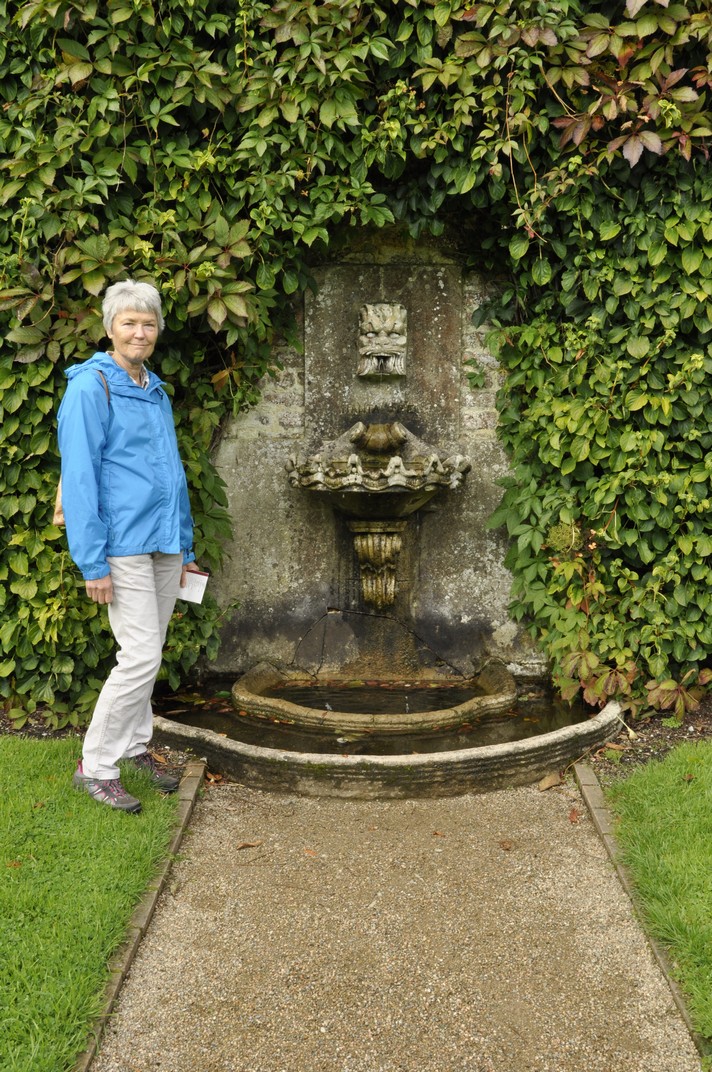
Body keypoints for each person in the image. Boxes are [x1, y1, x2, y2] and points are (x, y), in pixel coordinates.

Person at [57, 279, 201, 813]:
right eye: (129, 323)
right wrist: (92, 562)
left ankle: (135, 747)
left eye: (148, 323)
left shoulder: (153, 389)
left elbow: (171, 474)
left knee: (150, 650)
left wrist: (184, 547)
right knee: (139, 655)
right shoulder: (91, 387)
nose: (140, 332)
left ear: (157, 329)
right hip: (121, 545)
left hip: (163, 543)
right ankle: (96, 766)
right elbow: (80, 478)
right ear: (110, 328)